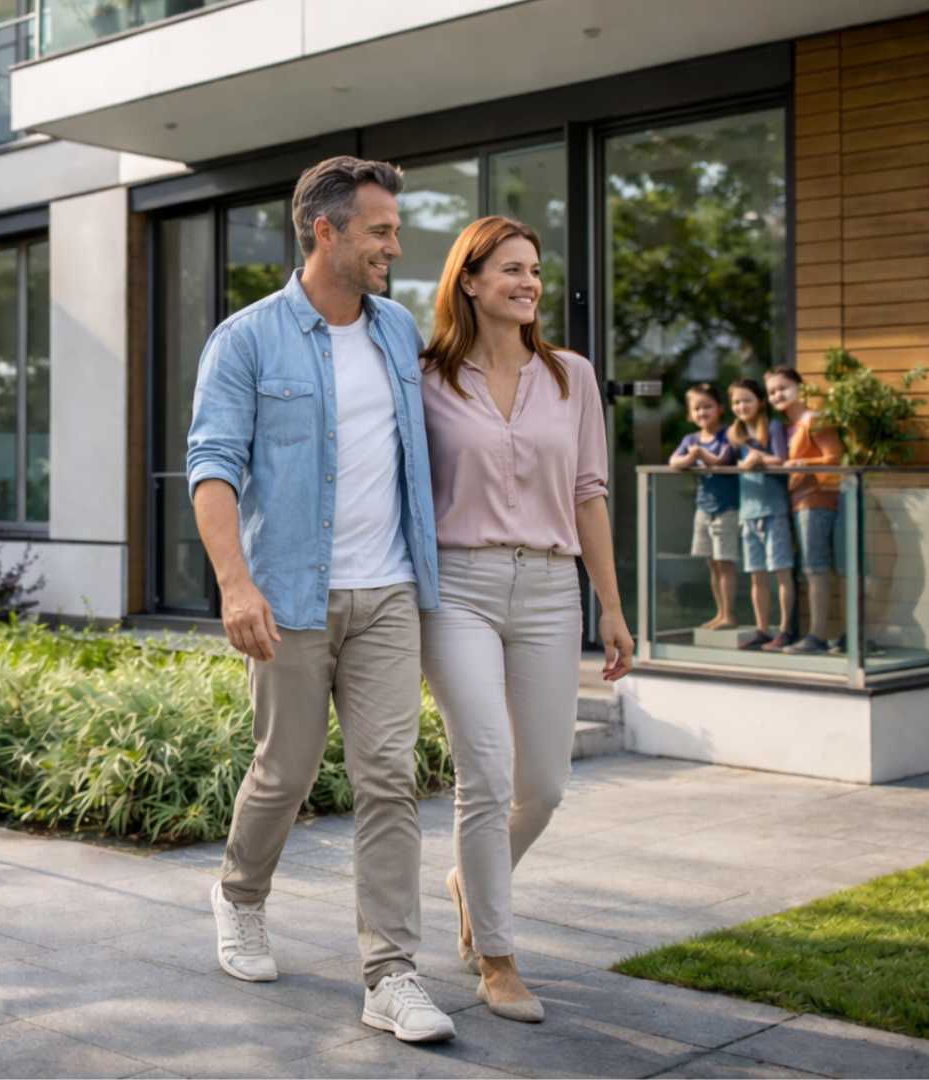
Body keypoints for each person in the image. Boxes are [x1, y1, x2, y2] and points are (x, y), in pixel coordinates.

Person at [186, 156, 454, 1043]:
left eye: (394, 228)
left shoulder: (399, 330)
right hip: (291, 597)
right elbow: (213, 466)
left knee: (389, 782)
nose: (395, 244)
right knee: (285, 774)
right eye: (379, 230)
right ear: (325, 231)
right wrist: (236, 585)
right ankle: (239, 894)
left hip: (388, 591)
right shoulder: (248, 339)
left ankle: (390, 972)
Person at [418, 215, 632, 1024]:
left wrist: (609, 604)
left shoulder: (571, 376)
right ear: (468, 281)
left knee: (542, 784)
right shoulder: (427, 378)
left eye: (534, 269)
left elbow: (589, 495)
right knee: (486, 769)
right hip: (460, 588)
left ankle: (473, 880)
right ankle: (497, 960)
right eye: (510, 268)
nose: (529, 282)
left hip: (549, 589)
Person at [769, 367, 845, 654]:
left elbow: (835, 458)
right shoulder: (786, 427)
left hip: (817, 502)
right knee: (813, 569)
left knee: (816, 569)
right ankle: (820, 634)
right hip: (799, 504)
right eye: (772, 391)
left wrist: (801, 466)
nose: (777, 395)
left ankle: (818, 635)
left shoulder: (813, 421)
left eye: (783, 388)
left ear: (800, 388)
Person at [728, 377, 794, 650]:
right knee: (757, 574)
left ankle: (786, 629)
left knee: (781, 571)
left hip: (773, 510)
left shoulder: (774, 427)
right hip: (749, 512)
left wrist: (760, 459)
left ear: (760, 402)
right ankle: (762, 629)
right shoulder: (737, 435)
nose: (741, 406)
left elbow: (782, 460)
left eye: (746, 400)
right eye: (736, 401)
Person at [668, 383, 739, 632]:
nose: (702, 413)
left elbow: (722, 459)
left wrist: (699, 454)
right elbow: (674, 461)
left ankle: (729, 614)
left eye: (707, 406)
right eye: (697, 408)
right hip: (703, 507)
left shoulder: (728, 433)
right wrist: (691, 456)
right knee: (712, 563)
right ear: (690, 414)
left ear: (720, 409)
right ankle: (720, 613)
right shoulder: (691, 439)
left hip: (726, 507)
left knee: (725, 562)